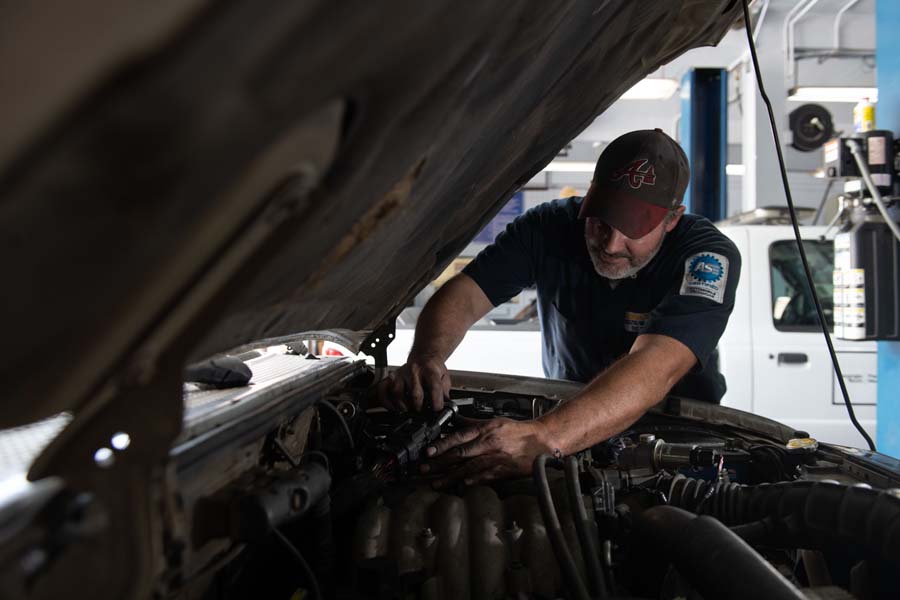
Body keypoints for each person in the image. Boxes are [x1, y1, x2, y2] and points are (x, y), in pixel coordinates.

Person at [378, 129, 741, 487]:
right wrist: (428, 355)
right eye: (602, 221)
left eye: (632, 230)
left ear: (672, 219)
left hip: (676, 443)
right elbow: (467, 293)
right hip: (566, 421)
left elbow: (656, 368)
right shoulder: (548, 227)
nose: (611, 245)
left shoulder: (705, 258)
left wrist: (544, 437)